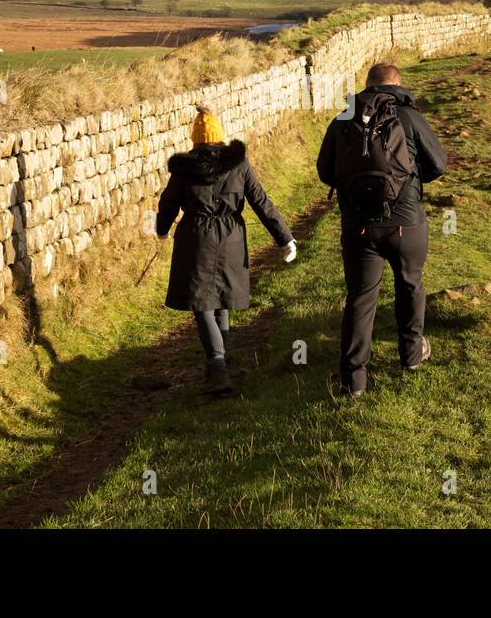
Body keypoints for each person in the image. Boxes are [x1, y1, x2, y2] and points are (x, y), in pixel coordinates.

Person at [316, 63, 447, 398]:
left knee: (361, 297)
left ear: (367, 85)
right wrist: (407, 183)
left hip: (359, 226)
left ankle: (353, 381)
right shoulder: (409, 116)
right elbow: (439, 165)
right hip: (406, 222)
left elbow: (325, 171)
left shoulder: (345, 116)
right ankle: (411, 356)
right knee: (410, 284)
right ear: (398, 84)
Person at [156, 105, 297, 395]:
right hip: (231, 236)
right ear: (220, 137)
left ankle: (217, 366)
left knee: (202, 303)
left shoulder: (184, 169)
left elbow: (168, 203)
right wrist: (285, 239)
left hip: (196, 238)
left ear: (195, 139)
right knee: (220, 297)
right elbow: (261, 202)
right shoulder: (239, 165)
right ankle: (219, 362)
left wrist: (161, 228)